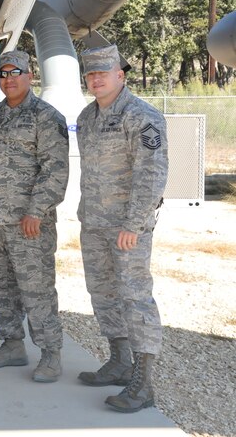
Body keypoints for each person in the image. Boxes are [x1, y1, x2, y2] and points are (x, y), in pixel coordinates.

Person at [0, 50, 69, 382]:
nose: (8, 79)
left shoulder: (46, 117)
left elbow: (55, 171)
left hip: (29, 224)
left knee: (36, 290)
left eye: (15, 72)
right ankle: (11, 344)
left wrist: (36, 210)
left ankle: (51, 353)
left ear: (29, 75)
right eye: (3, 74)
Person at [76, 44, 168, 413]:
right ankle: (119, 361)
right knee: (102, 292)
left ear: (120, 75)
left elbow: (153, 173)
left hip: (127, 226)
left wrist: (134, 223)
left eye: (103, 72)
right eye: (90, 74)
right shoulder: (87, 116)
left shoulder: (141, 115)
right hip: (94, 223)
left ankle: (143, 384)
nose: (96, 79)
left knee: (135, 297)